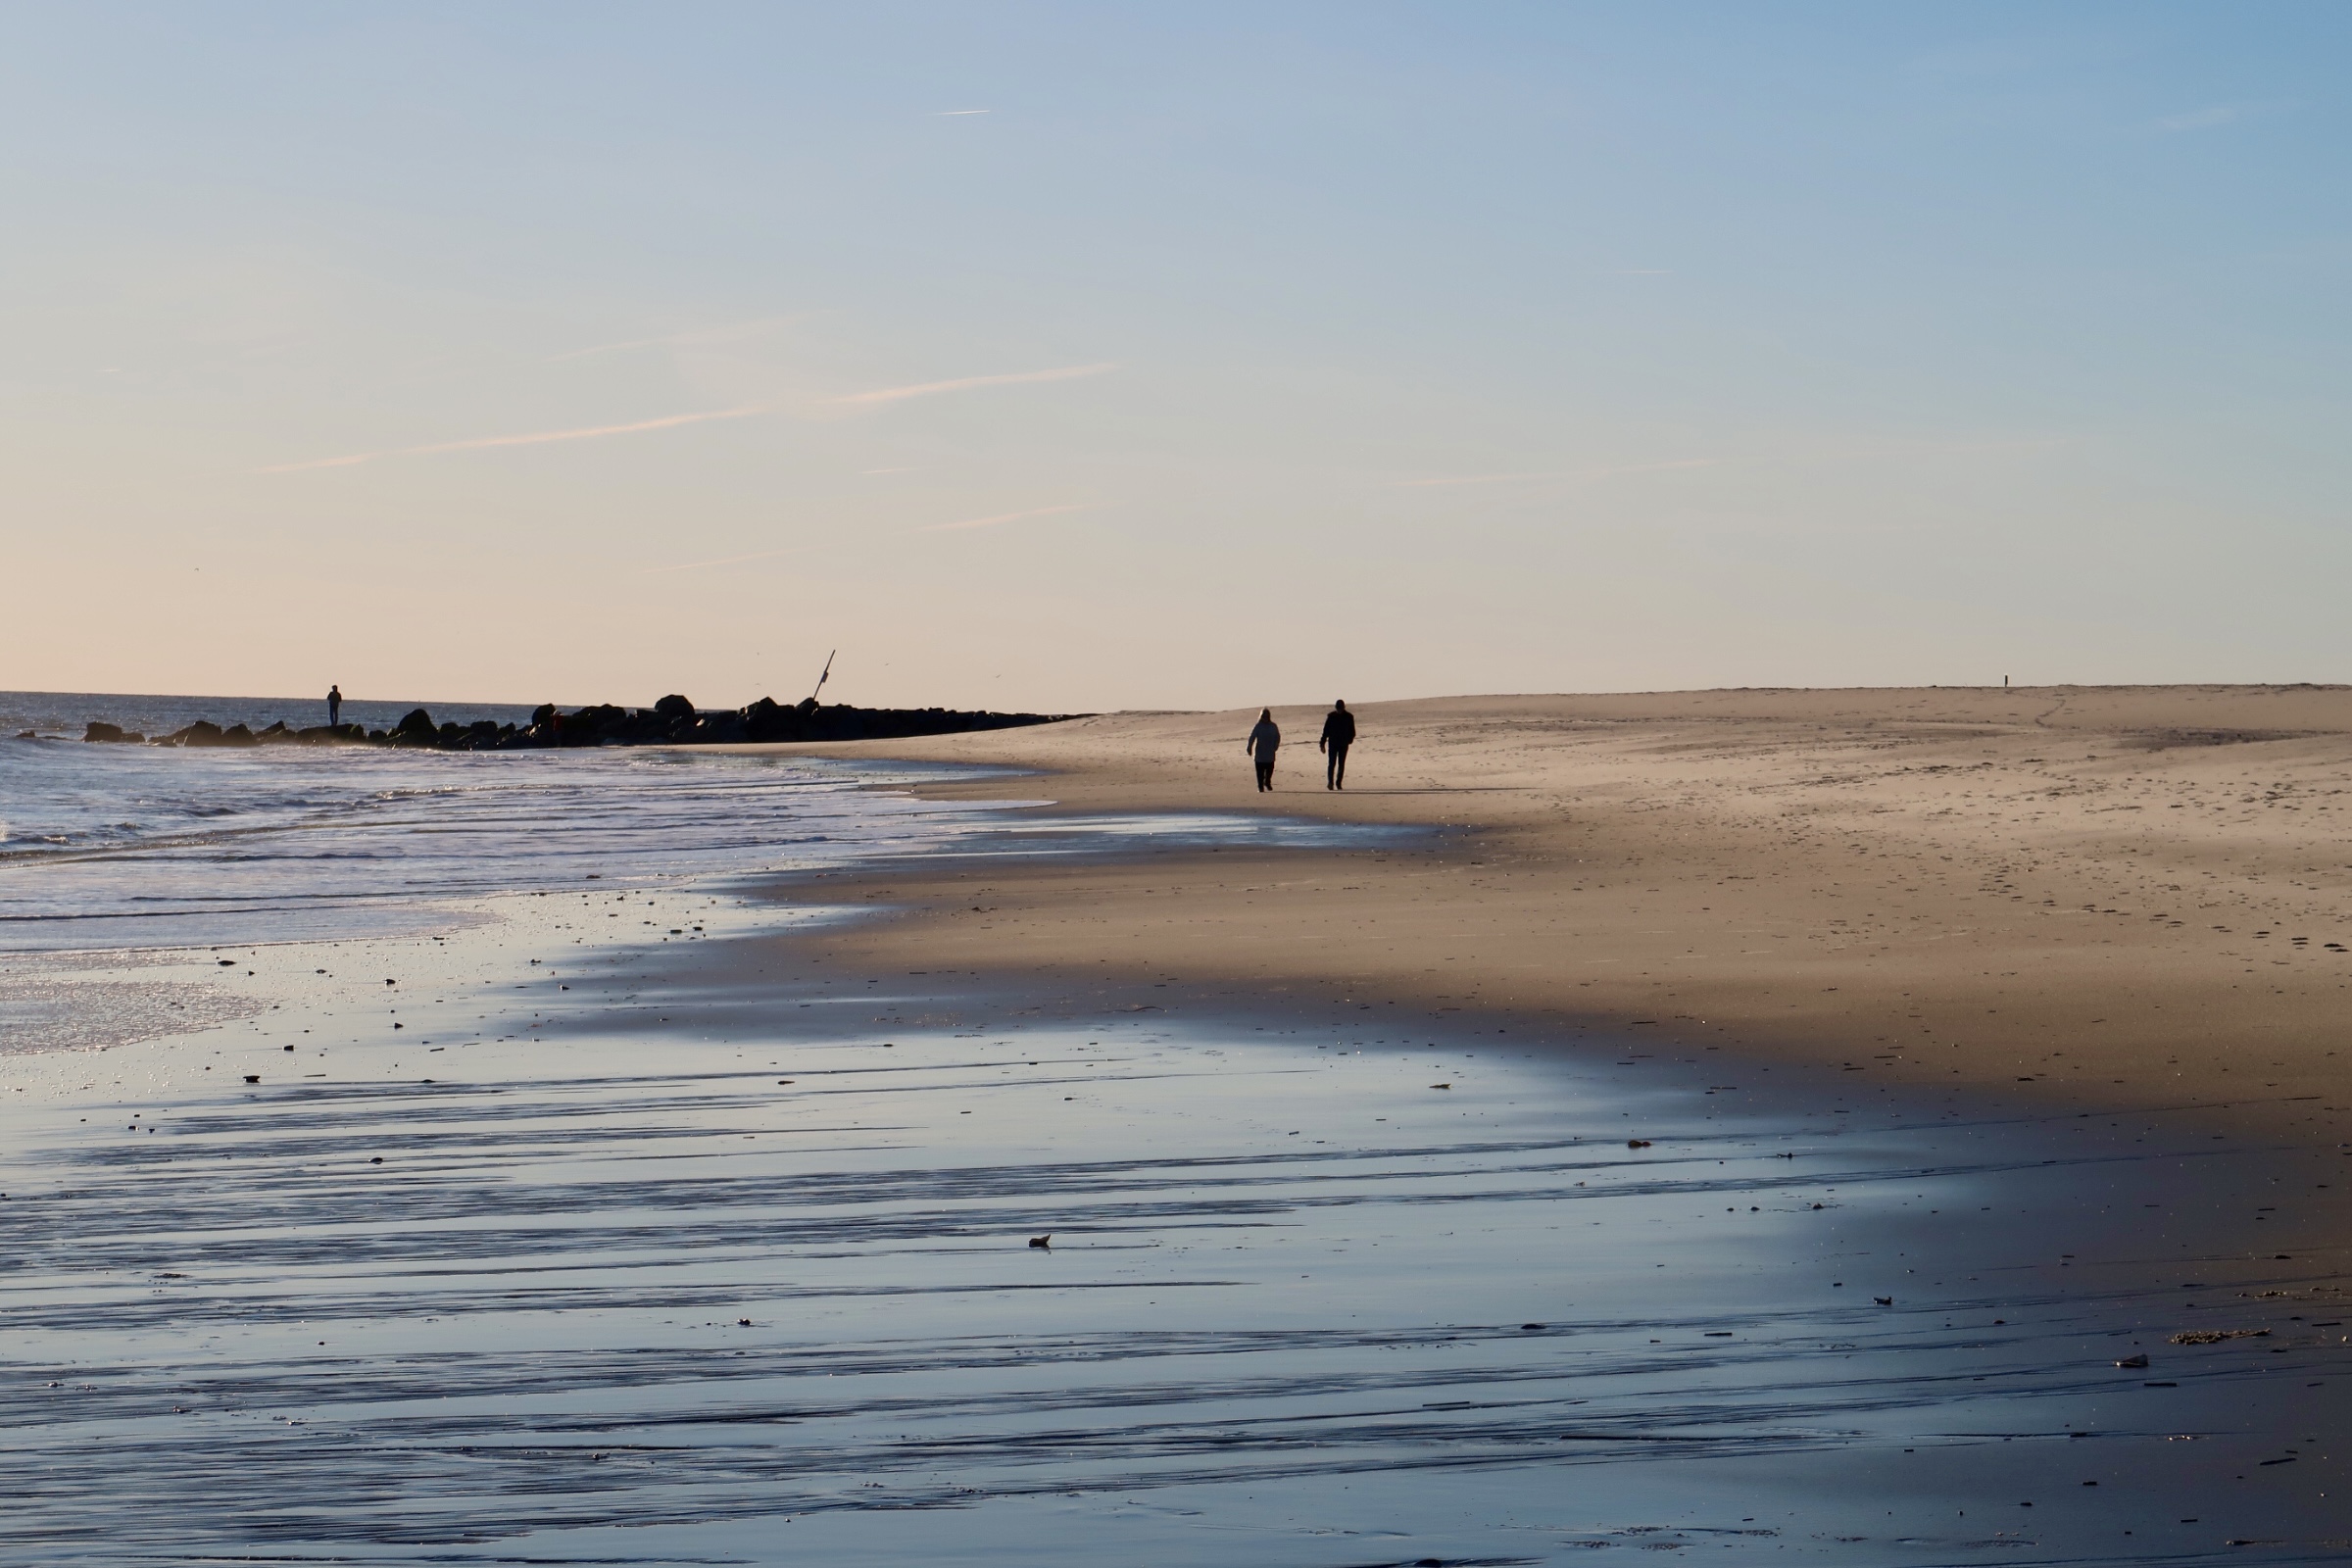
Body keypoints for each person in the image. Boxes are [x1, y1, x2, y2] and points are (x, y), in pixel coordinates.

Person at [1319, 699, 1355, 790]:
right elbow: (1325, 731)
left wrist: (1349, 740)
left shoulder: (1349, 717)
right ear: (1336, 708)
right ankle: (1330, 782)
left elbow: (1352, 731)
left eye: (1341, 708)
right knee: (1331, 763)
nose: (1339, 710)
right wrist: (1322, 744)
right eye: (1338, 708)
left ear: (1344, 708)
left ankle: (1338, 783)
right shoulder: (1331, 717)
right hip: (1333, 744)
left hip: (1343, 744)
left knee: (1341, 764)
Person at [1246, 708, 1281, 792]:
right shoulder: (1258, 726)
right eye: (1263, 716)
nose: (1265, 717)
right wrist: (1249, 747)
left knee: (1269, 771)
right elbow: (1252, 737)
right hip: (1260, 755)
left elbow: (1277, 737)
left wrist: (1276, 745)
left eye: (1267, 716)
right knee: (1260, 773)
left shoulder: (1273, 726)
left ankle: (1267, 782)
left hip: (1270, 753)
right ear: (1261, 716)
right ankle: (1260, 787)